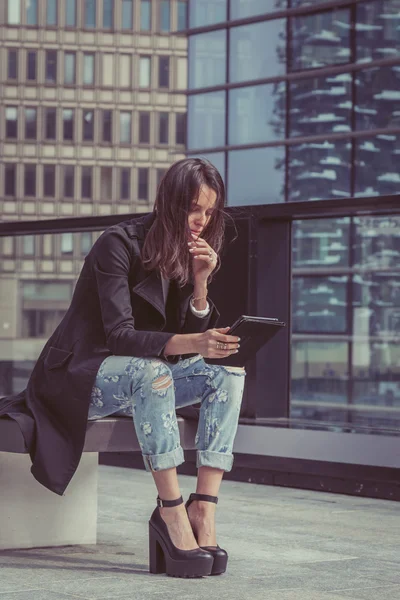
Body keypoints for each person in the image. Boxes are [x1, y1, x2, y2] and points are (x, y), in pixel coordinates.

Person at [0, 158, 245, 578]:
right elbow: (119, 335)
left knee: (226, 375)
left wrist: (202, 284)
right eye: (193, 209)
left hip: (145, 376)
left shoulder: (185, 252)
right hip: (81, 373)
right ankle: (170, 514)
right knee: (153, 373)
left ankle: (203, 507)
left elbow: (183, 344)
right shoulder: (117, 243)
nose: (201, 220)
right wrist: (197, 342)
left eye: (209, 211)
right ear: (169, 203)